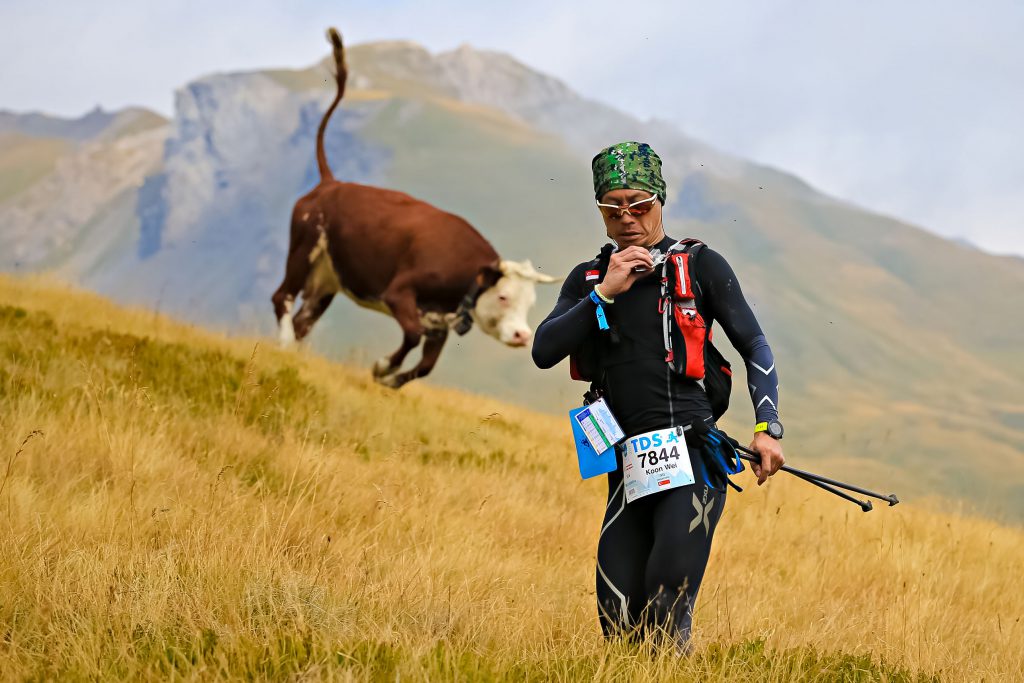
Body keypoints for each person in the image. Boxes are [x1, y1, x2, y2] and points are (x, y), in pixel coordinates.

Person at [531, 141, 785, 649]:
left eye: (639, 204)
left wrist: (767, 429)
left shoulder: (701, 264)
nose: (628, 217)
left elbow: (754, 344)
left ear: (660, 200)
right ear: (601, 212)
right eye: (613, 207)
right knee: (617, 615)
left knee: (667, 607)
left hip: (691, 455)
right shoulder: (587, 279)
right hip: (626, 462)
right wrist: (606, 292)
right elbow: (544, 349)